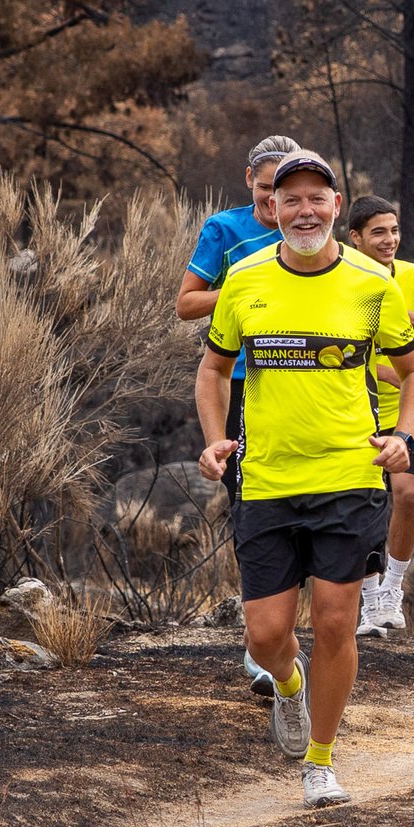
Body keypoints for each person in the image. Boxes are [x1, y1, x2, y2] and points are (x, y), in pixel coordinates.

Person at [195, 150, 414, 809]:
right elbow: (213, 370)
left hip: (349, 477)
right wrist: (216, 436)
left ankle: (321, 762)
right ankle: (290, 687)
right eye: (288, 198)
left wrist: (404, 437)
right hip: (266, 479)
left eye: (315, 199)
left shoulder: (371, 283)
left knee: (334, 620)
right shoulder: (242, 280)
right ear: (271, 209)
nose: (303, 210)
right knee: (266, 636)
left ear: (335, 207)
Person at [175, 134, 299, 698]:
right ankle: (259, 646)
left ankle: (290, 638)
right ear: (250, 179)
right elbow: (186, 303)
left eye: (286, 188)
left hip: (301, 385)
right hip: (241, 382)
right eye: (268, 187)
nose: (277, 201)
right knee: (249, 508)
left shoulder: (308, 230)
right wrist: (246, 288)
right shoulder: (225, 231)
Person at [344, 195, 414, 636]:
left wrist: (399, 311)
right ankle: (369, 601)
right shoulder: (343, 279)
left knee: (407, 494)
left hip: (408, 408)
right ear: (355, 238)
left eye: (394, 230)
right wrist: (386, 371)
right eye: (378, 232)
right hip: (357, 412)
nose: (390, 240)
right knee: (366, 506)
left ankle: (393, 588)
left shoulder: (413, 275)